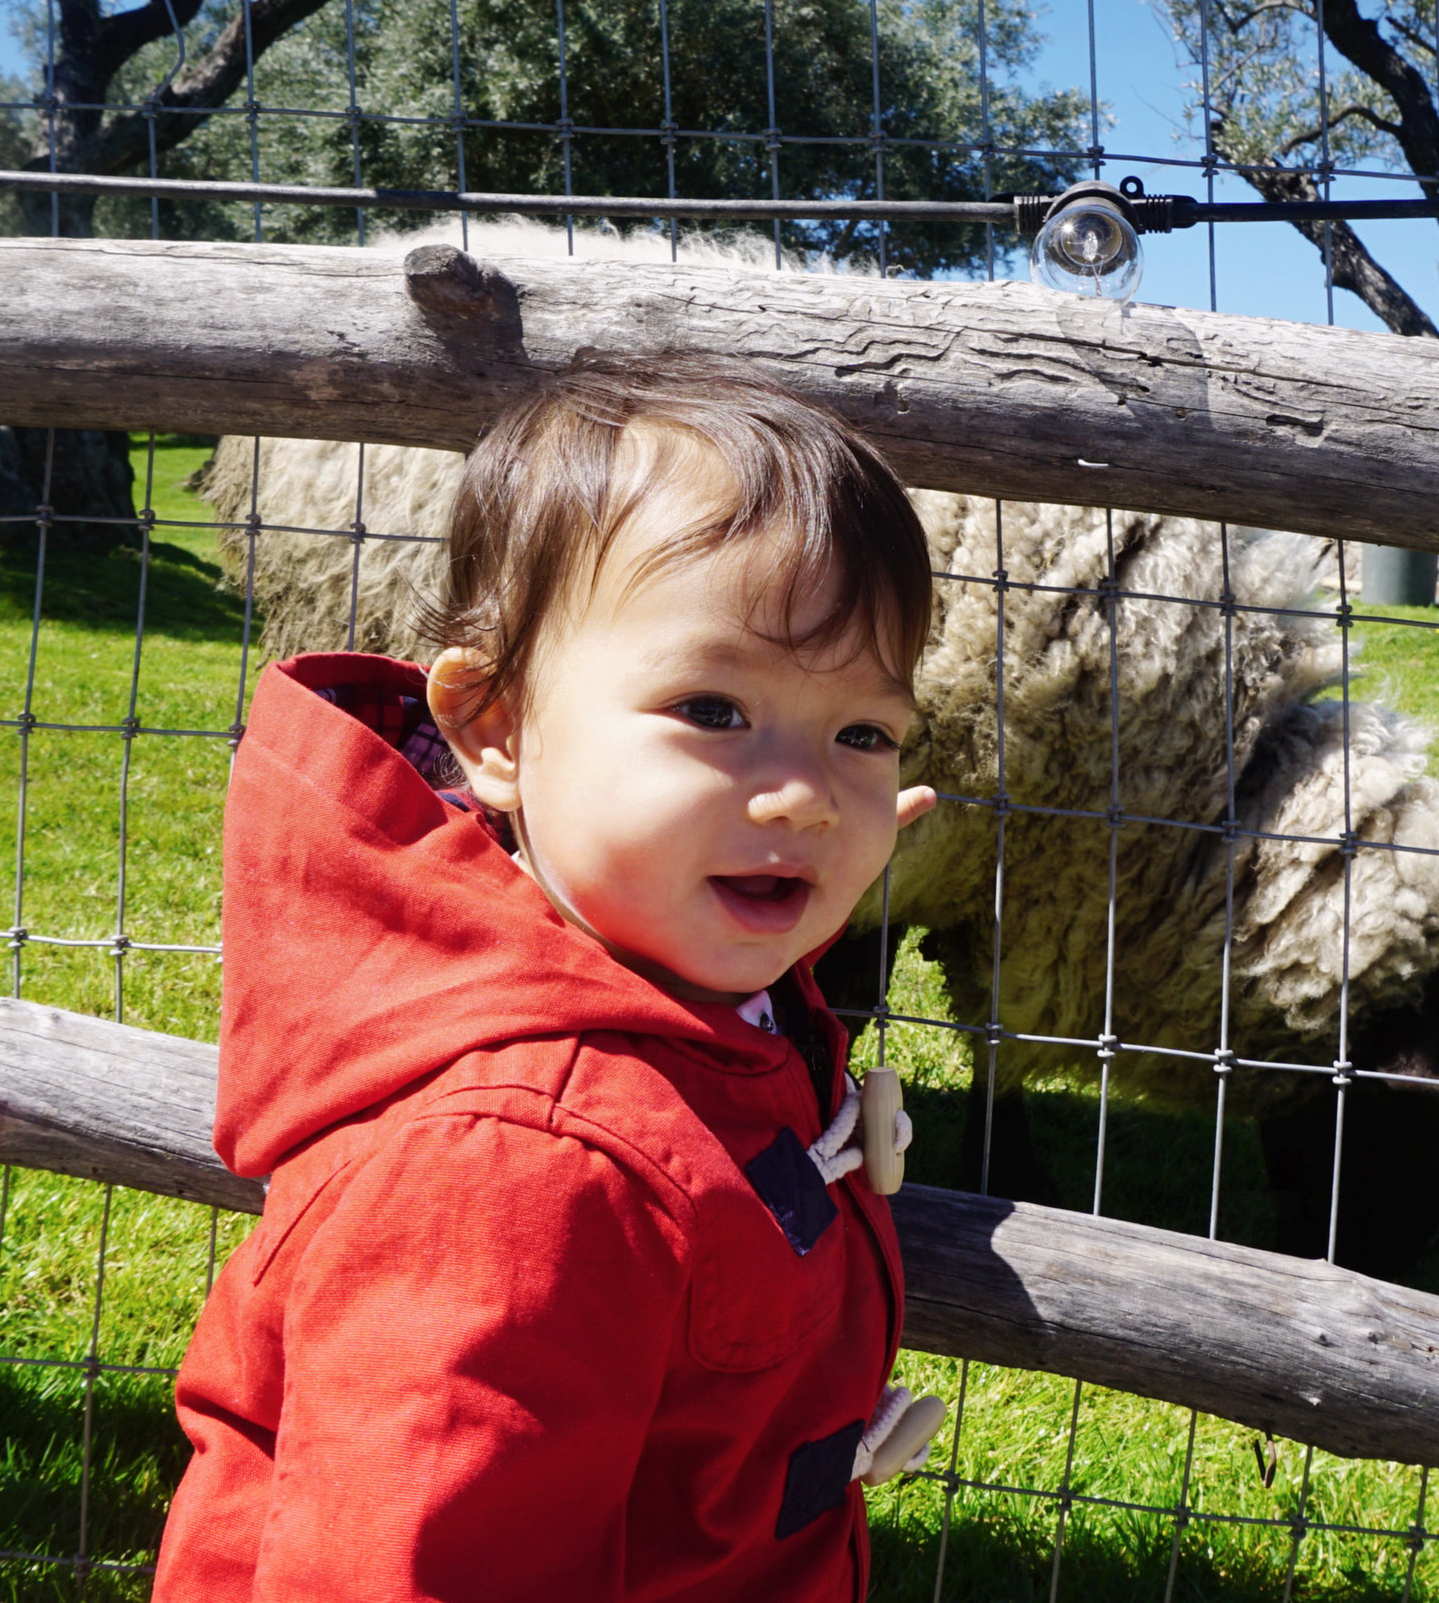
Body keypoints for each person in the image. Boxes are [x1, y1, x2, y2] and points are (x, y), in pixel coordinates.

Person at [153, 354, 944, 1601]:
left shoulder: (698, 1002)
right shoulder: (521, 1161)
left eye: (862, 733)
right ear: (496, 730)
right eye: (712, 707)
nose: (803, 796)